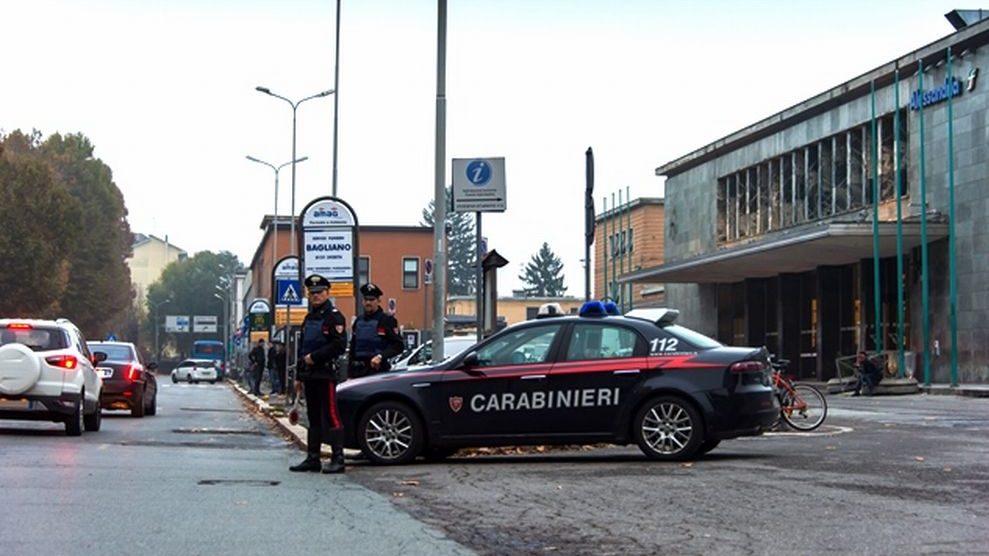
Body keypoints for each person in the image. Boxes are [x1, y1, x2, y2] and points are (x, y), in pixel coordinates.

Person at [290, 274, 348, 474]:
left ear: (327, 293)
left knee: (331, 415)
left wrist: (315, 357)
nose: (315, 296)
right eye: (311, 293)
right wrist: (298, 376)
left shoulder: (334, 316)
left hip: (326, 373)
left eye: (319, 292)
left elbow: (339, 345)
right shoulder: (309, 317)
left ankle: (338, 458)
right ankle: (312, 458)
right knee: (313, 417)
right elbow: (302, 347)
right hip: (309, 375)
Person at [347, 283, 404, 379]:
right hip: (358, 372)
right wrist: (349, 373)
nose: (368, 303)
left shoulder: (386, 320)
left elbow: (398, 346)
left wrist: (381, 356)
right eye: (366, 299)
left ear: (378, 301)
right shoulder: (358, 321)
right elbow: (353, 348)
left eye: (372, 300)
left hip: (377, 371)